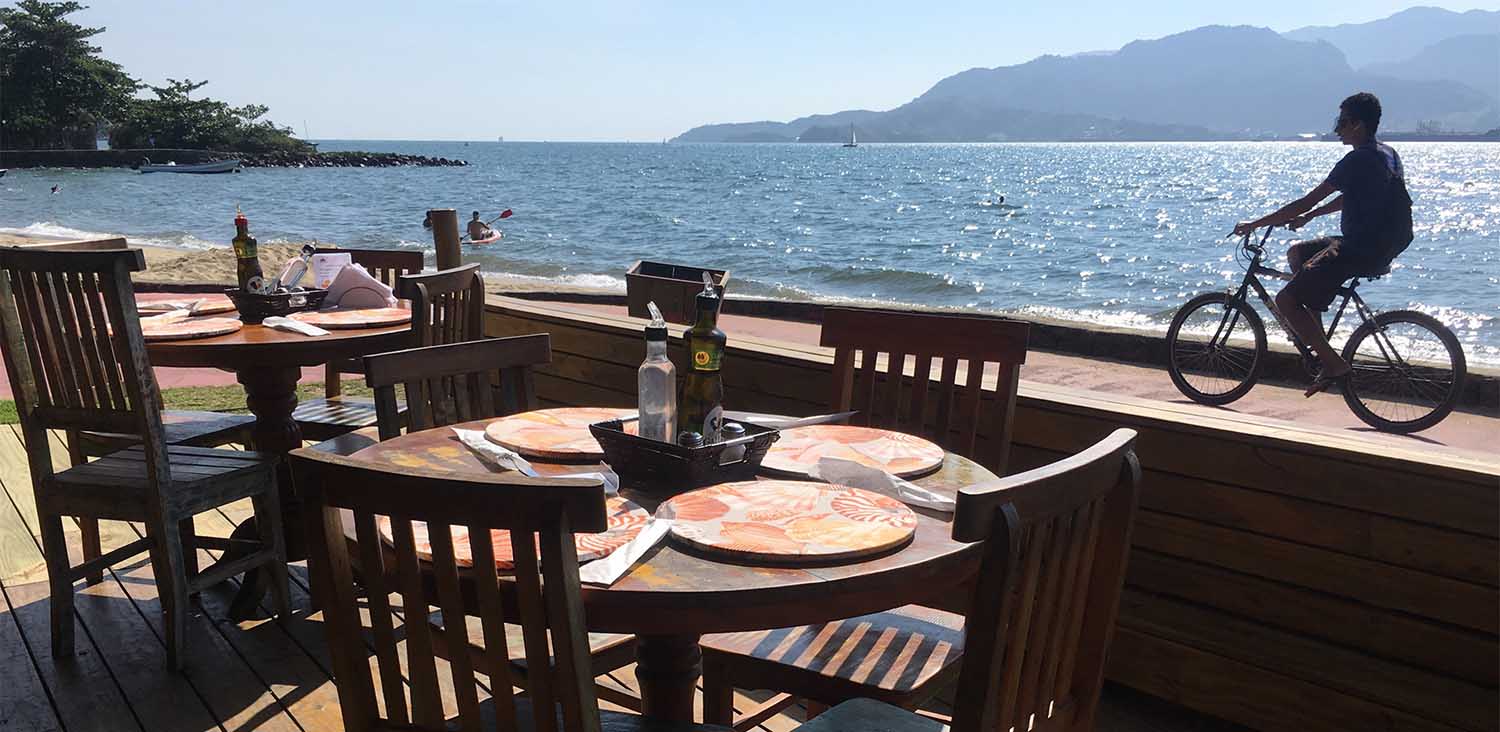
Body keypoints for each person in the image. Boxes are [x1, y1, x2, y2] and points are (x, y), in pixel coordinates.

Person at [1231, 92, 1413, 396]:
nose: (1337, 129)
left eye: (1341, 122)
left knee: (1286, 301)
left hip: (1361, 247)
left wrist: (1255, 223)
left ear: (1357, 124)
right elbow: (1352, 197)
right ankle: (1318, 339)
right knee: (1297, 253)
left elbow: (1305, 200)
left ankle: (1333, 363)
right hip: (1381, 242)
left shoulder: (1357, 159)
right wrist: (1312, 216)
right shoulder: (1387, 154)